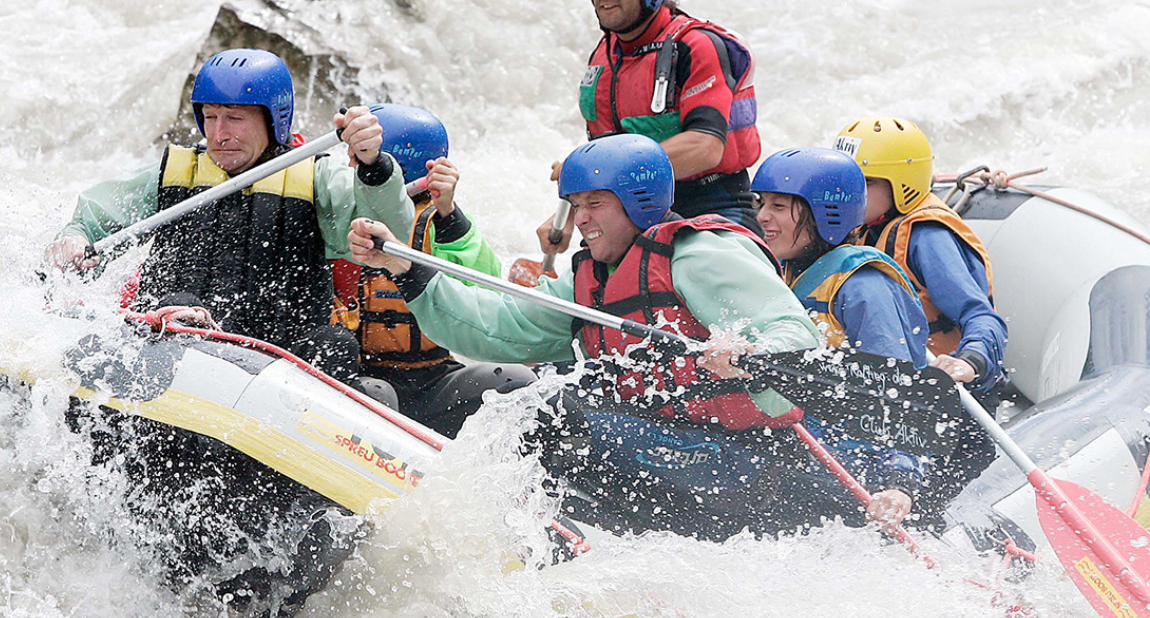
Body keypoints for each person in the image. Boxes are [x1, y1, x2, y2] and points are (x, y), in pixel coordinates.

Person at [349, 134, 893, 541]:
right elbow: (496, 325)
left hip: (740, 466)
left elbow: (794, 334)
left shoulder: (703, 254)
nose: (581, 219)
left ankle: (549, 538)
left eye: (596, 204)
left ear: (638, 202)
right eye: (577, 204)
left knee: (548, 411)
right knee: (514, 394)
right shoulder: (590, 276)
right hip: (664, 451)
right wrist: (406, 270)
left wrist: (748, 350)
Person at [45, 48, 414, 387]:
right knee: (178, 305)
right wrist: (76, 237)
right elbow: (97, 216)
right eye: (210, 117)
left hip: (276, 366)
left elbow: (389, 231)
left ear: (274, 120)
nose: (219, 134)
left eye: (234, 119)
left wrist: (373, 165)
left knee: (335, 345)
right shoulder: (172, 171)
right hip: (172, 351)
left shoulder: (317, 178)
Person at [537, 0, 764, 260]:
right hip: (634, 210)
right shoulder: (603, 57)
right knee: (587, 272)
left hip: (713, 204)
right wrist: (575, 212)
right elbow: (609, 154)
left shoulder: (696, 46)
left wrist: (595, 171)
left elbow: (706, 147)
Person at [834, 115, 1008, 516]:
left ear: (901, 184)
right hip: (894, 399)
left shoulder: (927, 238)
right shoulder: (860, 227)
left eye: (864, 182)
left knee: (927, 511)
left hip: (953, 402)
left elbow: (982, 317)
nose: (848, 193)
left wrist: (969, 361)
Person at [328, 104, 536, 438]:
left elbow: (484, 294)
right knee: (378, 395)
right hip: (364, 377)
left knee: (517, 381)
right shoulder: (340, 214)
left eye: (358, 157)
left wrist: (449, 212)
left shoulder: (440, 222)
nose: (350, 166)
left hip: (435, 379)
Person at [751, 146, 930, 527]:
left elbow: (898, 389)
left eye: (778, 207)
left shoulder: (864, 287)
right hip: (799, 453)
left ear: (825, 214)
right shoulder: (781, 271)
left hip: (856, 468)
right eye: (761, 203)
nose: (762, 216)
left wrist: (900, 482)